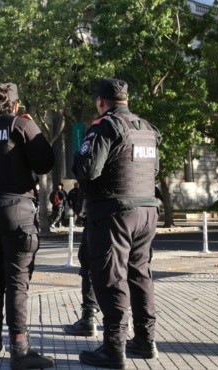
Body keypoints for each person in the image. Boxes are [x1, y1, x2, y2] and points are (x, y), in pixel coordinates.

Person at [72, 79, 161, 368]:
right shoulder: (147, 129)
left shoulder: (105, 126)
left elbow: (88, 169)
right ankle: (145, 341)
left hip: (114, 213)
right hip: (146, 211)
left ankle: (113, 348)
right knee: (140, 275)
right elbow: (155, 170)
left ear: (101, 101)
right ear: (126, 99)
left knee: (110, 277)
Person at [0, 82, 55, 369]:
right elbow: (45, 164)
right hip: (14, 208)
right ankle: (20, 350)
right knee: (16, 281)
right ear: (16, 103)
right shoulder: (22, 124)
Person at [62, 193, 99, 338]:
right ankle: (125, 320)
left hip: (99, 215)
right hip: (135, 210)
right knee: (126, 268)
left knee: (89, 267)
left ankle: (89, 319)